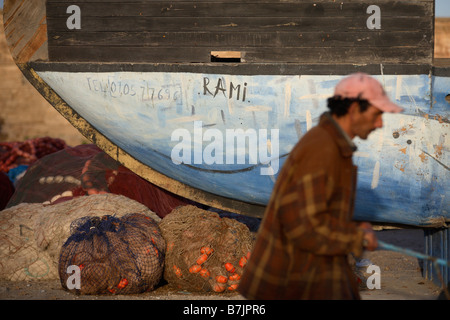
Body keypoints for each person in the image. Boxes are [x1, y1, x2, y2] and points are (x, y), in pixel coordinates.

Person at [238, 73, 403, 300]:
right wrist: (355, 237)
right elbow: (304, 227)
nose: (380, 123)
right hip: (292, 282)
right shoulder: (322, 149)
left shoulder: (332, 144)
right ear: (354, 109)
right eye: (376, 115)